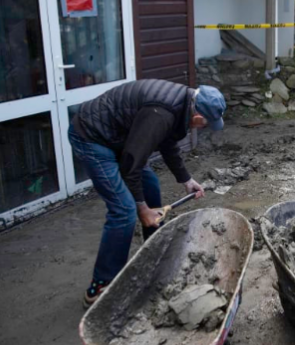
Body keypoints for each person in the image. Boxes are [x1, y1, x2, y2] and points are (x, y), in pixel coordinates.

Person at [68, 79, 226, 307]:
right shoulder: (161, 113)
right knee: (124, 211)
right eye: (206, 124)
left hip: (118, 136)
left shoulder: (181, 103)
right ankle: (100, 285)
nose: (203, 127)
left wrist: (186, 179)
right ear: (199, 118)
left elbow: (167, 142)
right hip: (92, 136)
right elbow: (131, 165)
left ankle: (154, 252)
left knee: (150, 184)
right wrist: (142, 209)